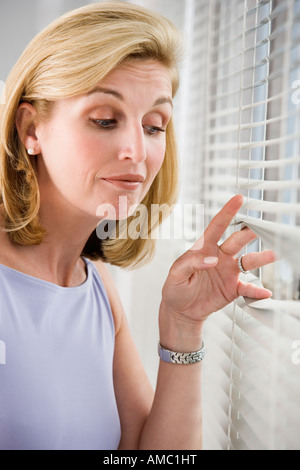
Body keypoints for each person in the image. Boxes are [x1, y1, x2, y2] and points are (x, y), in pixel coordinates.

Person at [0, 1, 275, 450]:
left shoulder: (96, 288)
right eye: (105, 120)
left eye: (153, 126)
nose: (136, 151)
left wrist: (182, 325)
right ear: (32, 129)